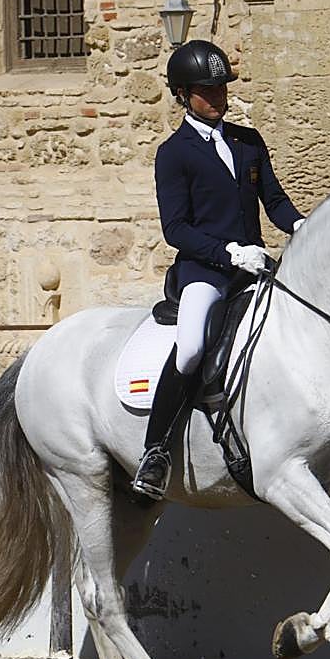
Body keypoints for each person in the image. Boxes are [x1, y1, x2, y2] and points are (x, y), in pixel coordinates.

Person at [131, 39, 305, 499]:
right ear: (183, 94)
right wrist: (229, 253)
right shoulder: (174, 153)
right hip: (205, 271)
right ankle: (155, 451)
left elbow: (276, 200)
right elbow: (177, 229)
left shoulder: (248, 142)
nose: (218, 97)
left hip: (255, 268)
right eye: (207, 91)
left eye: (221, 88)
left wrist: (303, 225)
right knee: (190, 350)